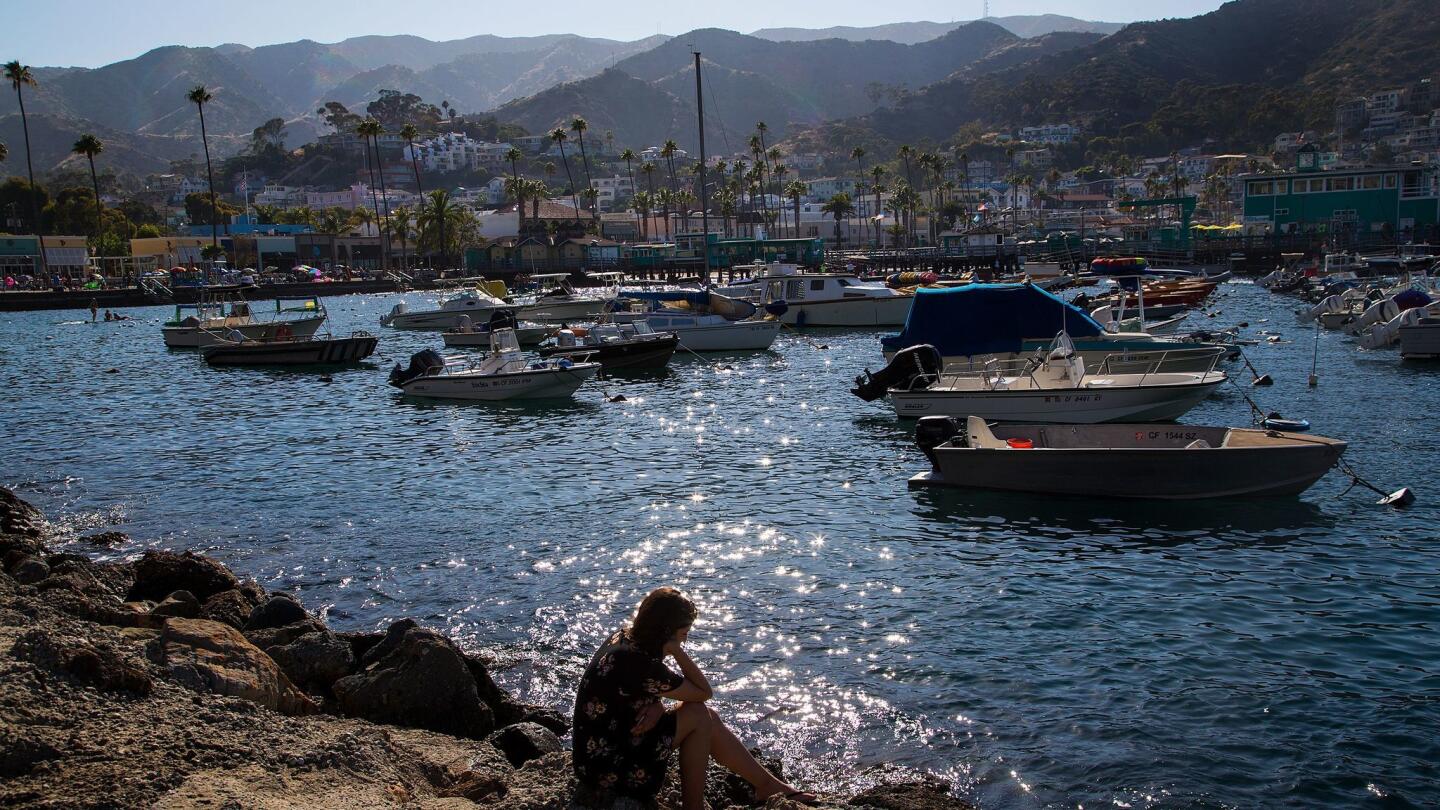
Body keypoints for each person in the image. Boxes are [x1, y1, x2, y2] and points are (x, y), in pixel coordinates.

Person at [573, 587, 816, 809]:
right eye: (683, 633)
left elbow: (638, 689)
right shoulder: (642, 665)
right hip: (609, 770)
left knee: (708, 716)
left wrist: (657, 704)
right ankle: (696, 807)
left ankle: (766, 784)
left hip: (595, 756)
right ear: (666, 632)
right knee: (699, 715)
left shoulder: (625, 637)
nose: (685, 639)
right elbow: (703, 692)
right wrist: (677, 651)